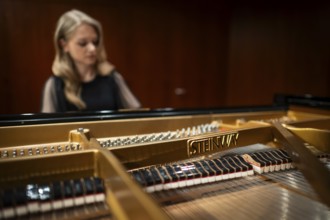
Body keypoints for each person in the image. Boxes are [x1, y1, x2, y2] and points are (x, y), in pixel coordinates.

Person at [41, 9, 141, 112]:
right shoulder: (54, 86)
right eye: (83, 43)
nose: (93, 49)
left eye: (95, 42)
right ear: (64, 45)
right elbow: (47, 127)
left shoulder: (112, 78)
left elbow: (137, 118)